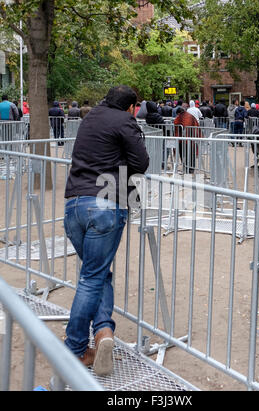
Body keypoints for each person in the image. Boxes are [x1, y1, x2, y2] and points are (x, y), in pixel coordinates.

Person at [63, 85, 149, 375]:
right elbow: (141, 162)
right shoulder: (125, 120)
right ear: (130, 107)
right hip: (104, 205)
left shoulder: (90, 117)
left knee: (97, 273)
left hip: (73, 206)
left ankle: (102, 333)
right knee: (92, 278)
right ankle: (74, 349)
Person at [174, 107, 201, 173]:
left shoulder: (179, 117)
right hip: (191, 139)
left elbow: (176, 125)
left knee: (183, 154)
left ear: (178, 113)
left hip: (182, 139)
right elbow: (196, 125)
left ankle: (186, 167)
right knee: (191, 154)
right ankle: (191, 169)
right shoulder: (191, 116)